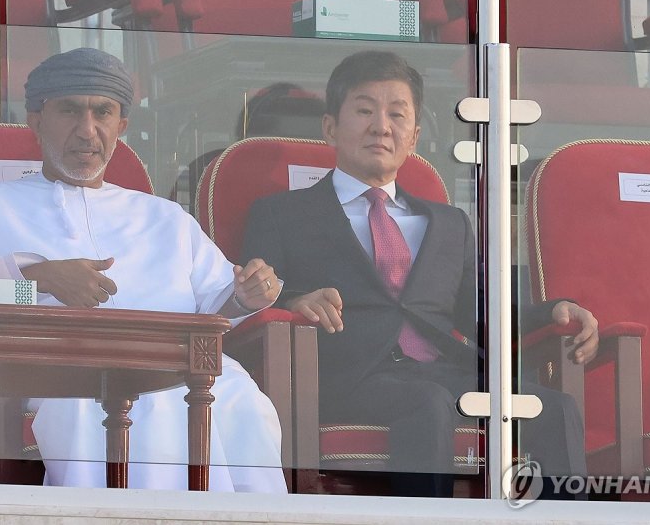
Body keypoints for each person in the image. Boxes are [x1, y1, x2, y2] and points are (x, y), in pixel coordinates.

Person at [241, 50, 599, 497]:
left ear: (413, 135)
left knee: (554, 408)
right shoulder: (283, 214)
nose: (381, 126)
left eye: (397, 114)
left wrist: (554, 311)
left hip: (442, 372)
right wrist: (295, 299)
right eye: (365, 110)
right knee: (426, 404)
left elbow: (480, 316)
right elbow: (255, 293)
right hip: (346, 376)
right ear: (330, 127)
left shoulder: (448, 223)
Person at [0, 48, 287, 493]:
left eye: (103, 112)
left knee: (242, 400)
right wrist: (37, 279)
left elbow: (218, 299)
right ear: (36, 121)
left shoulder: (165, 217)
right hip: (61, 372)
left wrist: (247, 294)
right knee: (99, 403)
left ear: (121, 126)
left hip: (182, 372)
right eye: (69, 111)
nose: (87, 130)